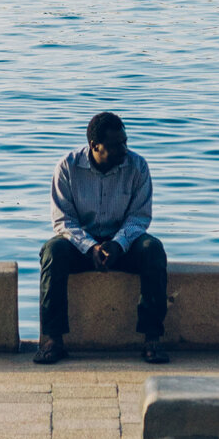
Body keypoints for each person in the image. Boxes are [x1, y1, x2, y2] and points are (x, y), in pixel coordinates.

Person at [36, 112, 169, 365]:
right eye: (116, 145)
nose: (124, 149)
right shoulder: (67, 166)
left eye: (125, 142)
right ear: (95, 146)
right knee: (52, 252)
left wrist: (118, 244)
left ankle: (152, 339)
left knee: (153, 250)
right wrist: (91, 247)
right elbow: (63, 220)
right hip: (80, 246)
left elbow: (139, 217)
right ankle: (53, 340)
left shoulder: (137, 166)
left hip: (123, 245)